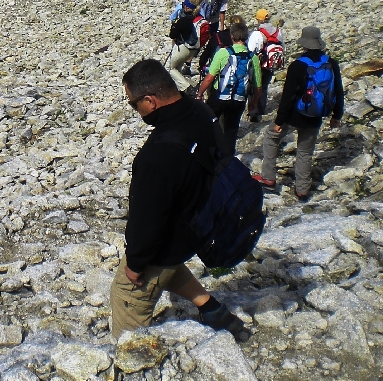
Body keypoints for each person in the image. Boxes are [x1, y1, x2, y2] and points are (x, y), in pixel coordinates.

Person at [112, 59, 250, 341]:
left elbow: (148, 219)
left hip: (172, 238)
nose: (135, 109)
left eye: (133, 104)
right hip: (199, 223)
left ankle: (131, 357)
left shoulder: (158, 155)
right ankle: (213, 311)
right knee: (169, 266)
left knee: (125, 292)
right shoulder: (201, 111)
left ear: (149, 101)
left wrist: (135, 263)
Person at [252, 27, 344, 200]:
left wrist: (279, 121)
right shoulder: (331, 63)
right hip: (316, 115)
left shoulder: (298, 65)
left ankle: (268, 178)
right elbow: (338, 91)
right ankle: (302, 190)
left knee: (271, 137)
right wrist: (336, 116)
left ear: (304, 45)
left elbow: (288, 96)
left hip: (294, 114)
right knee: (305, 152)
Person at [197, 17, 261, 157]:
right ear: (247, 37)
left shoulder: (223, 53)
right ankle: (227, 158)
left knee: (209, 124)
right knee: (231, 129)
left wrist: (200, 93)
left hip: (219, 95)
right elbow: (257, 86)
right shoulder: (253, 58)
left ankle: (208, 154)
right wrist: (254, 103)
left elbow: (210, 77)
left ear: (231, 36)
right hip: (239, 98)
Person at [246, 9, 283, 122]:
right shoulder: (278, 32)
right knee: (264, 86)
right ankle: (261, 109)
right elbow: (283, 48)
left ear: (258, 19)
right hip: (271, 63)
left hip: (259, 63)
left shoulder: (257, 33)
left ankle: (253, 111)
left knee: (254, 86)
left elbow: (251, 50)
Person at [165, 0, 203, 91]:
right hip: (195, 49)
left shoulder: (184, 20)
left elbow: (172, 35)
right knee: (177, 68)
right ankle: (177, 90)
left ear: (186, 6)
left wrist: (175, 25)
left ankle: (186, 87)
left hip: (184, 48)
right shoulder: (199, 17)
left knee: (170, 68)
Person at [196, 0, 229, 72]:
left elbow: (200, 2)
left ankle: (188, 62)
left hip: (202, 20)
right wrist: (222, 26)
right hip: (214, 22)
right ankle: (212, 62)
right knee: (213, 42)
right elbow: (222, 11)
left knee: (200, 40)